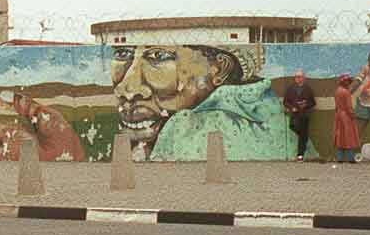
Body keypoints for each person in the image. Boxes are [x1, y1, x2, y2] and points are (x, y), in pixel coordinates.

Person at [112, 44, 293, 161]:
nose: (127, 89)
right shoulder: (263, 115)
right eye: (122, 53)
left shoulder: (198, 129)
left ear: (221, 70)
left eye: (158, 55)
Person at [283, 70, 317, 161]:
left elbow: (313, 103)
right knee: (294, 128)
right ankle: (303, 138)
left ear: (304, 78)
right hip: (294, 115)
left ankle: (300, 155)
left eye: (299, 77)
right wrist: (291, 108)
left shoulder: (308, 89)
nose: (297, 79)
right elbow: (285, 102)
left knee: (303, 135)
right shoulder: (290, 89)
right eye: (296, 77)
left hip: (304, 115)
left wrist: (305, 105)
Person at [333, 74, 360, 163]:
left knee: (340, 137)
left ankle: (340, 158)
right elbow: (349, 107)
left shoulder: (337, 91)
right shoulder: (346, 92)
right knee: (349, 137)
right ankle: (350, 158)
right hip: (346, 117)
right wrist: (353, 116)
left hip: (338, 115)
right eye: (349, 82)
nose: (349, 84)